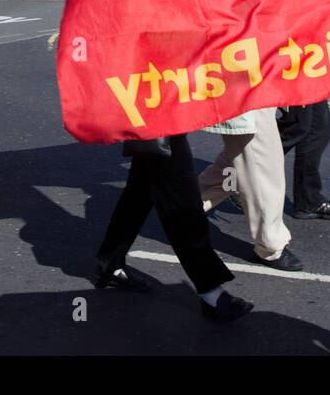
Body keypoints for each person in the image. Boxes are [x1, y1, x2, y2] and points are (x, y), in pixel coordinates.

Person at [93, 133, 253, 320]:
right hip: (156, 114)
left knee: (143, 181)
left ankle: (109, 260)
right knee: (181, 197)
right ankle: (210, 290)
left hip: (151, 111)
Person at [197, 108, 301, 271]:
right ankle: (269, 246)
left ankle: (186, 206)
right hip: (246, 93)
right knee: (260, 164)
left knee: (241, 161)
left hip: (257, 91)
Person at [276, 100, 330, 220]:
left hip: (310, 81)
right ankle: (238, 172)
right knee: (295, 127)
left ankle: (307, 201)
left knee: (317, 129)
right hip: (295, 81)